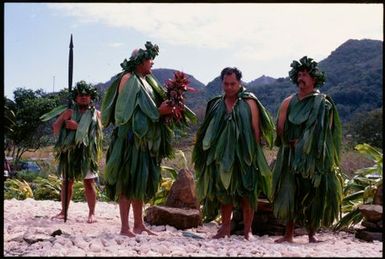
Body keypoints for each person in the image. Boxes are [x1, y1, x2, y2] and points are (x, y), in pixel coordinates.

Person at [101, 41, 195, 237]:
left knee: (139, 181)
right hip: (130, 139)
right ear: (141, 61)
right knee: (127, 181)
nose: (152, 64)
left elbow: (152, 109)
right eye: (150, 60)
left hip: (145, 141)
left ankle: (138, 225)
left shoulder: (148, 81)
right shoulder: (128, 78)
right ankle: (125, 228)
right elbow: (125, 114)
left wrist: (167, 111)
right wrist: (157, 112)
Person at [192, 67, 275, 240]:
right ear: (222, 82)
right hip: (221, 155)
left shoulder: (249, 102)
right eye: (226, 84)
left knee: (247, 191)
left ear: (240, 83)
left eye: (233, 84)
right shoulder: (216, 103)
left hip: (245, 154)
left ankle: (247, 231)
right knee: (224, 191)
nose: (229, 87)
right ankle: (225, 228)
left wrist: (254, 154)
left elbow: (255, 130)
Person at [272, 56, 343, 243]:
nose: (301, 78)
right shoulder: (288, 102)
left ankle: (312, 234)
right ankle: (288, 234)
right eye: (299, 74)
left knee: (314, 192)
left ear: (314, 79)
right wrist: (289, 141)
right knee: (289, 191)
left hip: (314, 158)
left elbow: (325, 131)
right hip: (290, 154)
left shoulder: (323, 103)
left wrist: (306, 144)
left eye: (305, 75)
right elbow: (279, 128)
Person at [51, 81, 103, 223]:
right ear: (75, 97)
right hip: (69, 152)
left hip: (87, 153)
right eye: (80, 95)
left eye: (86, 95)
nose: (83, 97)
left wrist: (77, 127)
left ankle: (92, 213)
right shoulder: (69, 112)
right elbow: (55, 128)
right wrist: (62, 124)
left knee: (89, 182)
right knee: (67, 182)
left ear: (91, 97)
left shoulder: (96, 115)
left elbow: (96, 135)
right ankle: (63, 211)